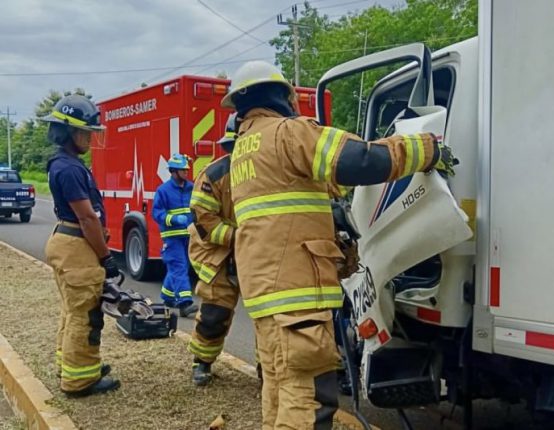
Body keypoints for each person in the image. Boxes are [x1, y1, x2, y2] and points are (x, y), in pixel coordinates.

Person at [221, 60, 457, 429]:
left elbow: (284, 206)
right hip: (296, 297)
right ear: (281, 95)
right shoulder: (288, 133)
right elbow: (360, 160)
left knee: (280, 391)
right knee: (309, 400)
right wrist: (426, 150)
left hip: (267, 295)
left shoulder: (244, 149)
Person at [43, 94, 121, 397]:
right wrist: (106, 257)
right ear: (69, 131)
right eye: (86, 132)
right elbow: (87, 217)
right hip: (76, 245)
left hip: (67, 241)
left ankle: (72, 365)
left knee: (71, 310)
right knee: (85, 314)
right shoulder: (70, 169)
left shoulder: (65, 164)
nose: (90, 137)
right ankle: (79, 381)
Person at [187, 113, 241, 385]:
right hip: (220, 253)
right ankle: (202, 362)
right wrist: (238, 237)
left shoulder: (270, 173)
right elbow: (204, 219)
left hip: (260, 253)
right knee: (214, 313)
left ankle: (267, 371)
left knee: (269, 320)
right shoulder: (214, 174)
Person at [152, 154, 198, 317]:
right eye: (183, 170)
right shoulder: (163, 190)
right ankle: (185, 304)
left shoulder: (191, 188)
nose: (186, 172)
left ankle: (167, 297)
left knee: (179, 267)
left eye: (186, 170)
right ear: (173, 171)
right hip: (172, 238)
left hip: (189, 236)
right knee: (179, 267)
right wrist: (173, 219)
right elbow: (157, 213)